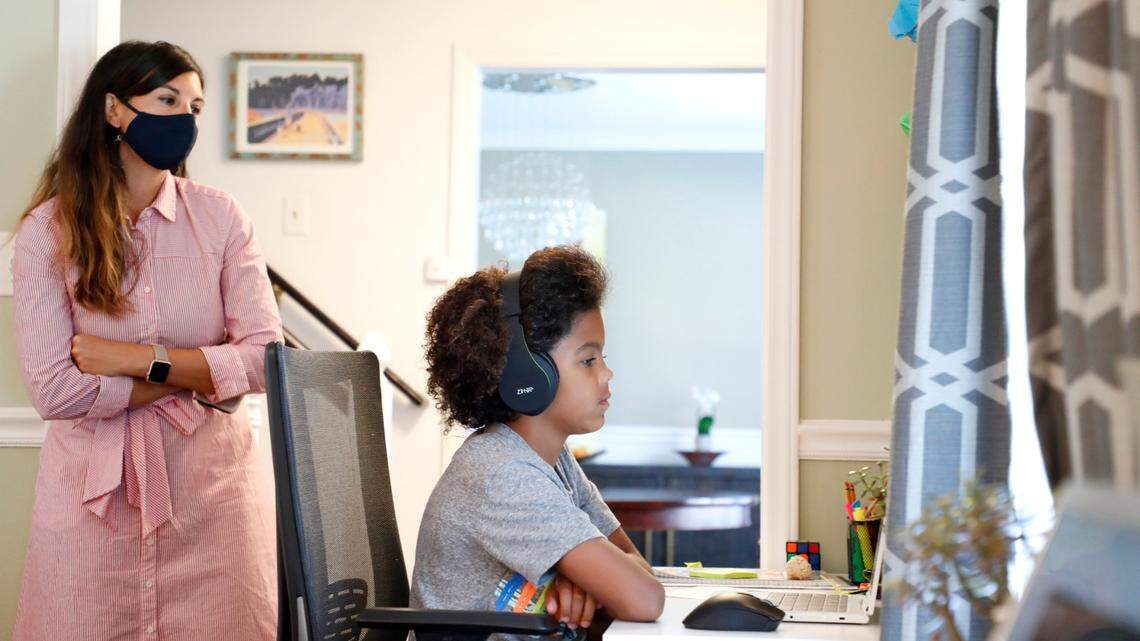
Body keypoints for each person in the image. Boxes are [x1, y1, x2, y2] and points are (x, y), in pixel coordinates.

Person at [11, 41, 281, 640]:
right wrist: (195, 376)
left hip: (212, 499)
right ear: (113, 109)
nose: (184, 117)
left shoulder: (222, 218)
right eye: (167, 99)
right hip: (89, 505)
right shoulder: (44, 233)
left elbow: (264, 359)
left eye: (195, 105)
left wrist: (134, 361)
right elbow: (55, 390)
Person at [412, 245, 665, 637]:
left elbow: (635, 564)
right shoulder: (503, 473)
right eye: (587, 360)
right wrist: (594, 580)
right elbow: (644, 599)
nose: (607, 374)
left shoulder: (552, 460)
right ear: (526, 375)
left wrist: (581, 578)